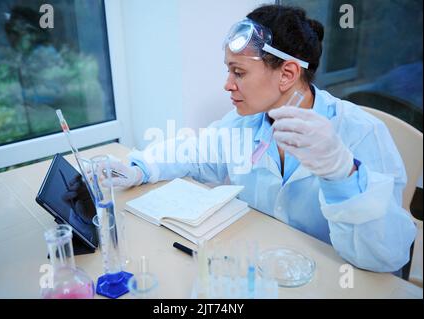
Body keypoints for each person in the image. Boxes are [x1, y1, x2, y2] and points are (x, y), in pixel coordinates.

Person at [104, 5, 416, 273]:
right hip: (262, 268)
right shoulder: (246, 124)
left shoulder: (360, 132)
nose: (227, 85)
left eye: (238, 72)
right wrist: (138, 168)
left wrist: (343, 174)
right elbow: (194, 152)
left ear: (287, 74)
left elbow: (387, 256)